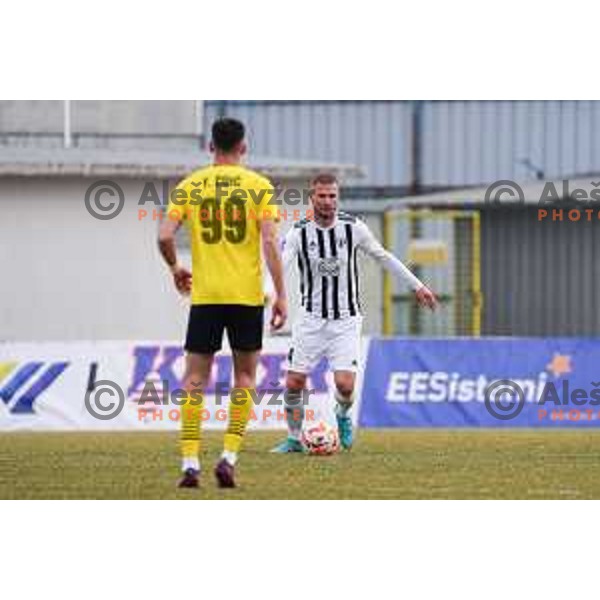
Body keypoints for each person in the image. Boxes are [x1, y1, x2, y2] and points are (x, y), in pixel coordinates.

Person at [158, 117, 287, 488]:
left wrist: (174, 267)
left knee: (194, 380)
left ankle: (189, 463)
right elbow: (269, 243)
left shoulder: (191, 185)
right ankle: (228, 457)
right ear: (243, 147)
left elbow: (165, 235)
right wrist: (280, 294)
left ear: (210, 147)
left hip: (207, 297)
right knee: (245, 377)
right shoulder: (258, 187)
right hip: (246, 298)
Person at [272, 173, 438, 453]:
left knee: (345, 385)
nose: (327, 201)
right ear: (312, 198)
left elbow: (383, 255)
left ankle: (342, 415)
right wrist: (269, 295)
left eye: (332, 196)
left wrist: (417, 285)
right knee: (294, 382)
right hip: (310, 320)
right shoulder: (298, 232)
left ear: (338, 197)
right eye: (322, 196)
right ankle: (293, 438)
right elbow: (280, 264)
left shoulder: (353, 227)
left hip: (345, 320)